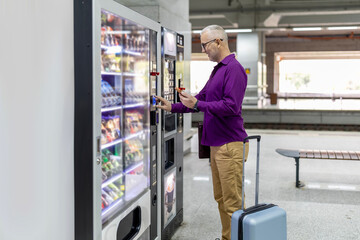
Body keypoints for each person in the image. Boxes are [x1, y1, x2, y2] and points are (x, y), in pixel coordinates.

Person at [156, 25, 249, 240]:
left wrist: (198, 104)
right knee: (221, 198)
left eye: (205, 44)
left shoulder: (233, 68)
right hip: (218, 145)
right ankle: (228, 237)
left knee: (233, 203)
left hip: (230, 145)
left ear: (219, 42)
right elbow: (199, 99)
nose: (203, 49)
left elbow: (230, 107)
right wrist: (172, 107)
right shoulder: (218, 69)